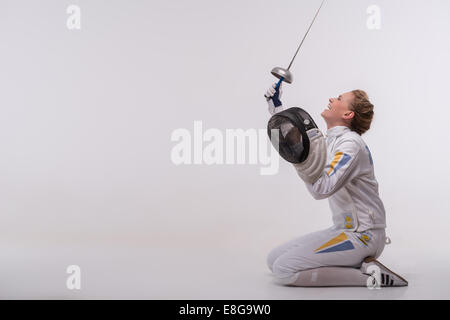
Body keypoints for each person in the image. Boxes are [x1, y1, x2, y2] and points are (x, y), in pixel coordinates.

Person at [264, 84, 407, 287]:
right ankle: (358, 264)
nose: (332, 99)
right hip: (341, 230)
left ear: (348, 113)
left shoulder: (350, 145)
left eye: (339, 98)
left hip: (363, 236)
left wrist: (301, 160)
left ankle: (371, 277)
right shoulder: (330, 143)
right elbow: (298, 143)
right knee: (273, 260)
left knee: (284, 270)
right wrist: (277, 109)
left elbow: (321, 189)